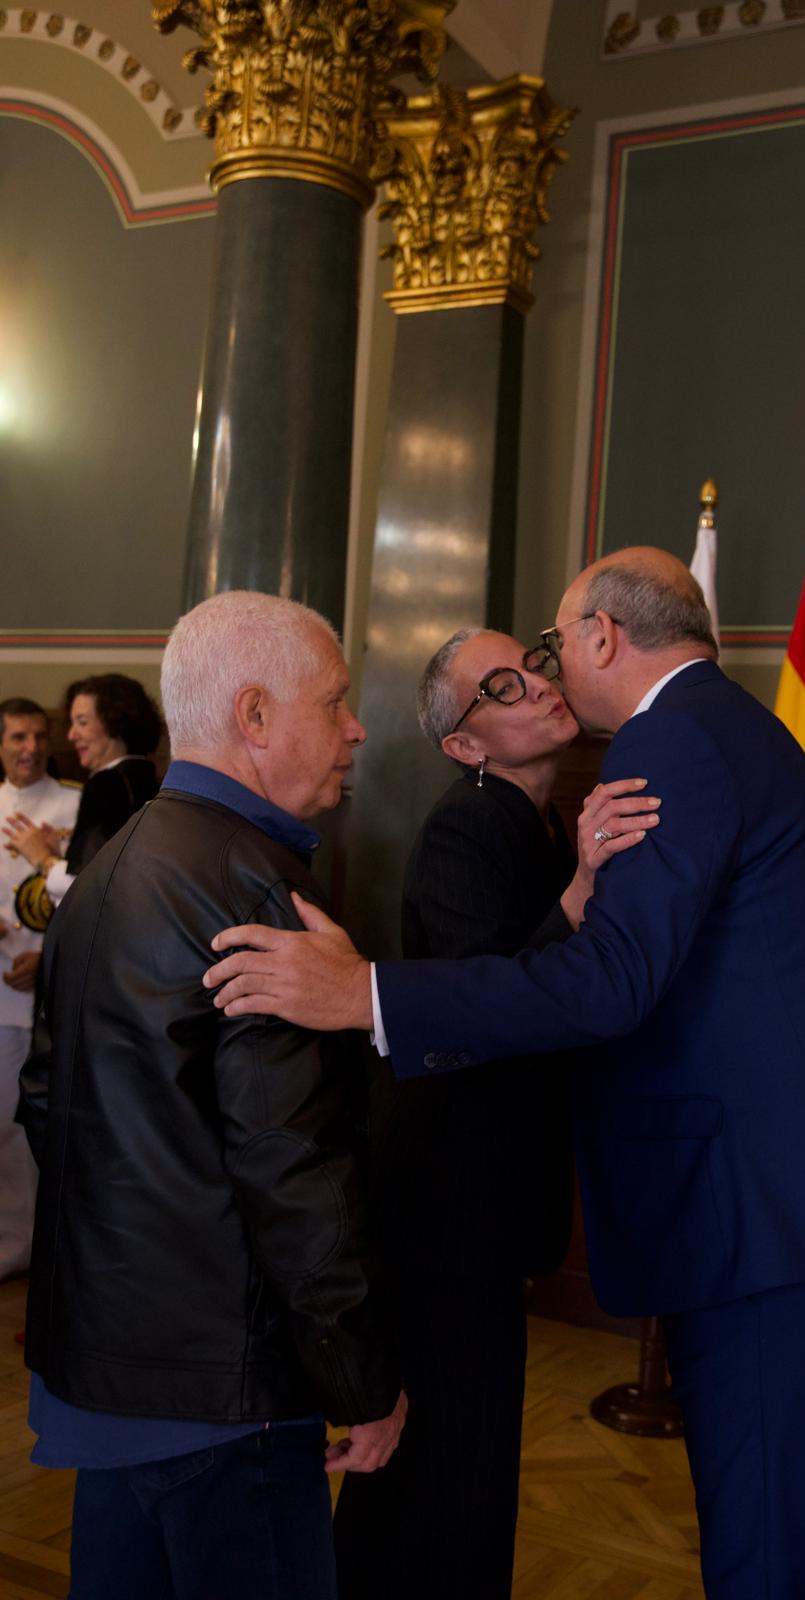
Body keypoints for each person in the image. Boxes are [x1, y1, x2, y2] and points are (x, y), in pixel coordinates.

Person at [205, 547, 805, 1598]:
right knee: (791, 1550)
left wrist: (365, 993)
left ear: (602, 638)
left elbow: (611, 982)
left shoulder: (671, 739)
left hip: (775, 1225)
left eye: (552, 646)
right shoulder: (713, 730)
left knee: (776, 1563)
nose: (548, 673)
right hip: (785, 1214)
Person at [20, 592, 405, 1600]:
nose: (356, 725)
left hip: (106, 1372)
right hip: (224, 1391)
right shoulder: (259, 893)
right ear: (254, 715)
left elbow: (47, 1105)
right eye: (334, 700)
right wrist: (361, 1377)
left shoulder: (102, 873)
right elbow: (295, 1168)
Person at [334, 627, 656, 1599]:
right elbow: (484, 1002)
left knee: (464, 1462)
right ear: (465, 745)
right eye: (501, 685)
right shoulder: (465, 827)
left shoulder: (543, 819)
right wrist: (580, 891)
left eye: (535, 663)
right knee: (438, 1465)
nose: (539, 686)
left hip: (488, 1189)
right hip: (444, 1197)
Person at [0, 699, 80, 1278]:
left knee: (20, 1131)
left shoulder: (75, 804)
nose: (29, 747)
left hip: (42, 996)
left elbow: (84, 904)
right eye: (17, 736)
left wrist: (44, 954)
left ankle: (19, 1249)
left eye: (38, 736)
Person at [3, 672, 162, 908]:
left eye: (82, 722)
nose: (71, 735)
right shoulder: (146, 775)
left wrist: (43, 858)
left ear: (113, 723)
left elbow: (89, 890)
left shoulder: (107, 784)